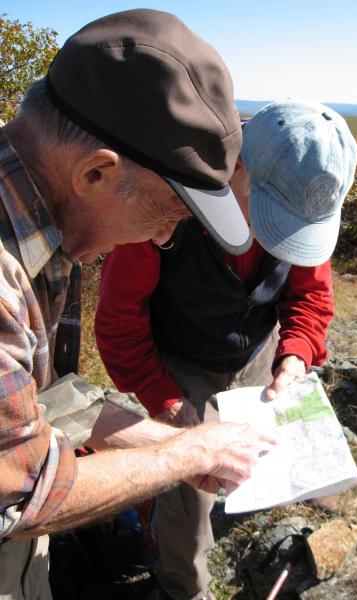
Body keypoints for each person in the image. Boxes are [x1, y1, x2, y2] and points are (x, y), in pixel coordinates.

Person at [0, 9, 277, 600]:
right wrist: (185, 453)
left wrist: (169, 445)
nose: (158, 241)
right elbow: (20, 490)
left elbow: (46, 400)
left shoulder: (44, 231)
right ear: (98, 172)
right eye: (164, 216)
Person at [95, 99, 357, 600]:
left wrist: (295, 354)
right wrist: (169, 403)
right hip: (176, 361)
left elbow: (309, 295)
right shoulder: (165, 203)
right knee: (187, 491)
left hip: (257, 357)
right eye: (268, 215)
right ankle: (181, 585)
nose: (276, 235)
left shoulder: (302, 195)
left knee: (257, 466)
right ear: (236, 167)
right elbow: (118, 323)